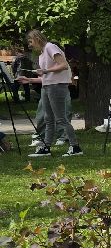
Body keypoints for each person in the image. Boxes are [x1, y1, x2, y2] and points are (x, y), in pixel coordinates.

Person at [27, 29, 81, 157]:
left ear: (37, 38)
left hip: (56, 87)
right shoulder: (42, 54)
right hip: (47, 86)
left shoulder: (50, 47)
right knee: (48, 119)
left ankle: (75, 147)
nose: (30, 45)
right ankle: (46, 147)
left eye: (30, 41)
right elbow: (46, 76)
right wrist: (28, 80)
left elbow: (63, 65)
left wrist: (45, 70)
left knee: (61, 118)